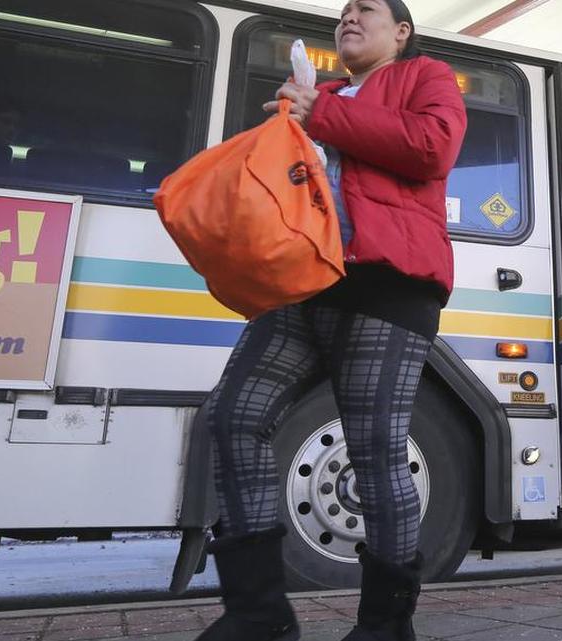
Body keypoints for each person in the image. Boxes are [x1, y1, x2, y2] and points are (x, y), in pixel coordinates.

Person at [197, 1, 466, 640]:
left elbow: (433, 148)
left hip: (390, 285)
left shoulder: (425, 75)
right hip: (305, 280)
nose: (349, 16)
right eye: (343, 11)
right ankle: (258, 614)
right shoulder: (319, 95)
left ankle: (384, 627)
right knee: (233, 415)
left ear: (401, 32)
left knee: (374, 451)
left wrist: (324, 114)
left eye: (365, 8)